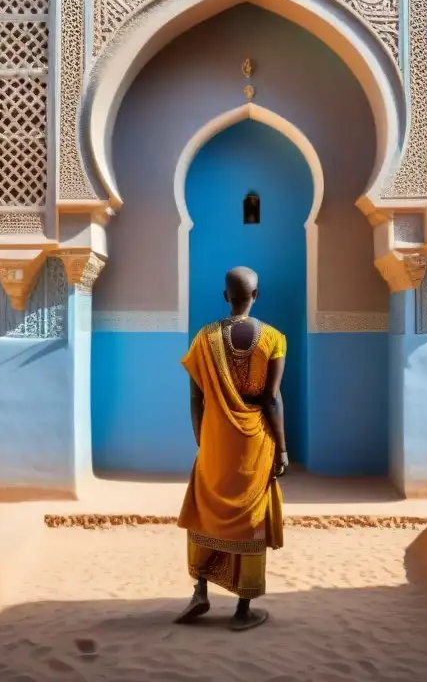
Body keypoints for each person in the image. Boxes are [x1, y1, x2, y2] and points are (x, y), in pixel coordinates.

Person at [175, 266, 289, 631]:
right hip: (254, 442)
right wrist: (283, 449)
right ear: (256, 295)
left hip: (215, 440)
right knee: (249, 520)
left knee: (206, 511)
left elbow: (196, 397)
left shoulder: (204, 339)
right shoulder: (274, 338)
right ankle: (242, 610)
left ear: (226, 296)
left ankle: (201, 591)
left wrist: (201, 435)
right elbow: (271, 400)